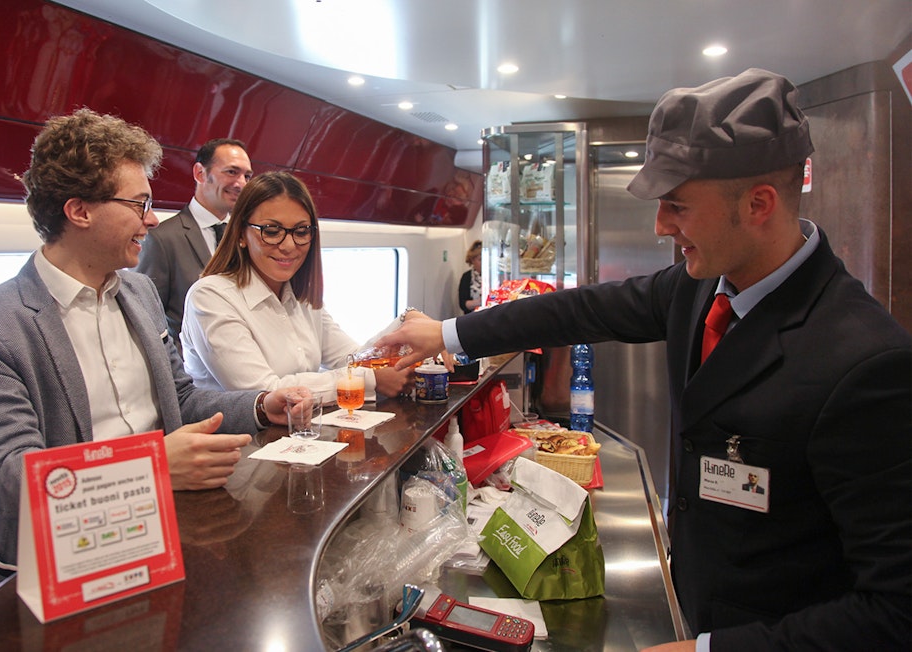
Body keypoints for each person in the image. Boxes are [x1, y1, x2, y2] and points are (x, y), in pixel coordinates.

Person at [376, 69, 911, 651]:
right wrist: (450, 333)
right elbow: (578, 311)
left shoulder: (865, 365)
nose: (661, 227)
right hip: (695, 600)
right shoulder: (699, 287)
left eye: (677, 206)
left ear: (759, 204)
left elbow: (894, 612)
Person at [0, 109, 306, 597]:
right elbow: (10, 478)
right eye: (139, 204)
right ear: (79, 211)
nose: (151, 220)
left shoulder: (139, 295)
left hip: (165, 534)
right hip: (62, 564)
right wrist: (152, 465)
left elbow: (181, 400)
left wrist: (260, 406)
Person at [179, 171, 417, 404]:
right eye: (272, 232)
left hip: (299, 435)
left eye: (301, 232)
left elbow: (352, 359)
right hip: (240, 440)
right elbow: (265, 392)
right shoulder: (210, 297)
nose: (289, 245)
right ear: (241, 234)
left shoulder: (300, 297)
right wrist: (368, 380)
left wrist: (408, 327)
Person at [134, 137, 253, 350]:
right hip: (189, 372)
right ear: (200, 173)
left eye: (247, 175)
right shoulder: (163, 238)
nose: (241, 183)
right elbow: (145, 319)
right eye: (232, 172)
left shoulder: (245, 237)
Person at [458, 240, 482, 314]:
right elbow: (463, 304)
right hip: (472, 318)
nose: (484, 262)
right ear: (472, 260)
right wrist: (480, 302)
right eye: (480, 260)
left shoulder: (493, 276)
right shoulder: (466, 277)